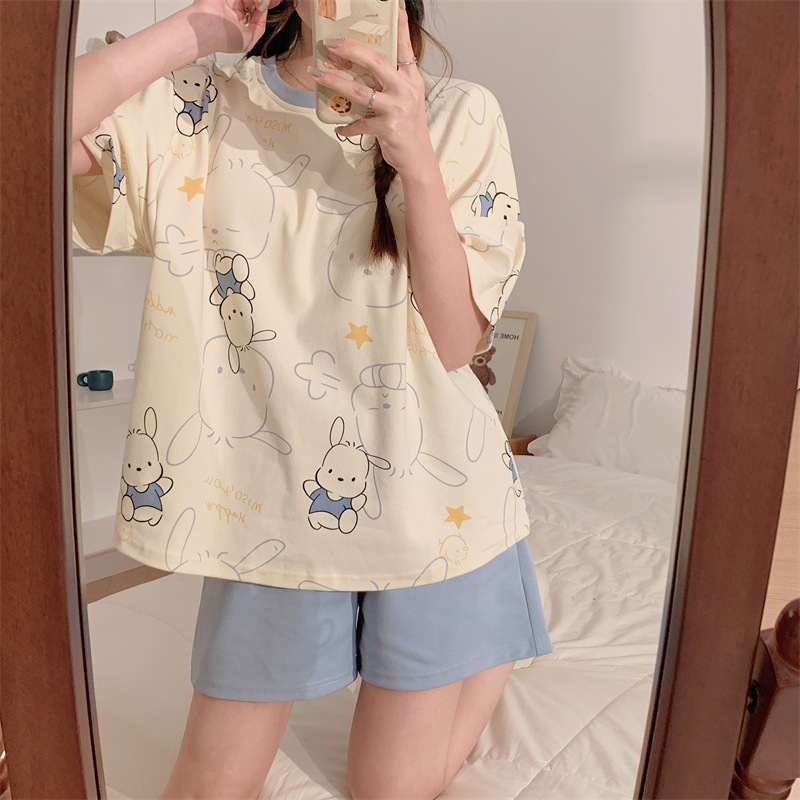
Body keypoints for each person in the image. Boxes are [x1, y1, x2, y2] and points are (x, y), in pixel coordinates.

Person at [71, 0, 552, 796]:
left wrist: (413, 153)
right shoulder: (202, 104)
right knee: (212, 779)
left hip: (433, 503)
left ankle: (492, 639)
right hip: (264, 505)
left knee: (390, 789)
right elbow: (27, 125)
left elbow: (457, 342)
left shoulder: (458, 112)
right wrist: (197, 28)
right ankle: (491, 630)